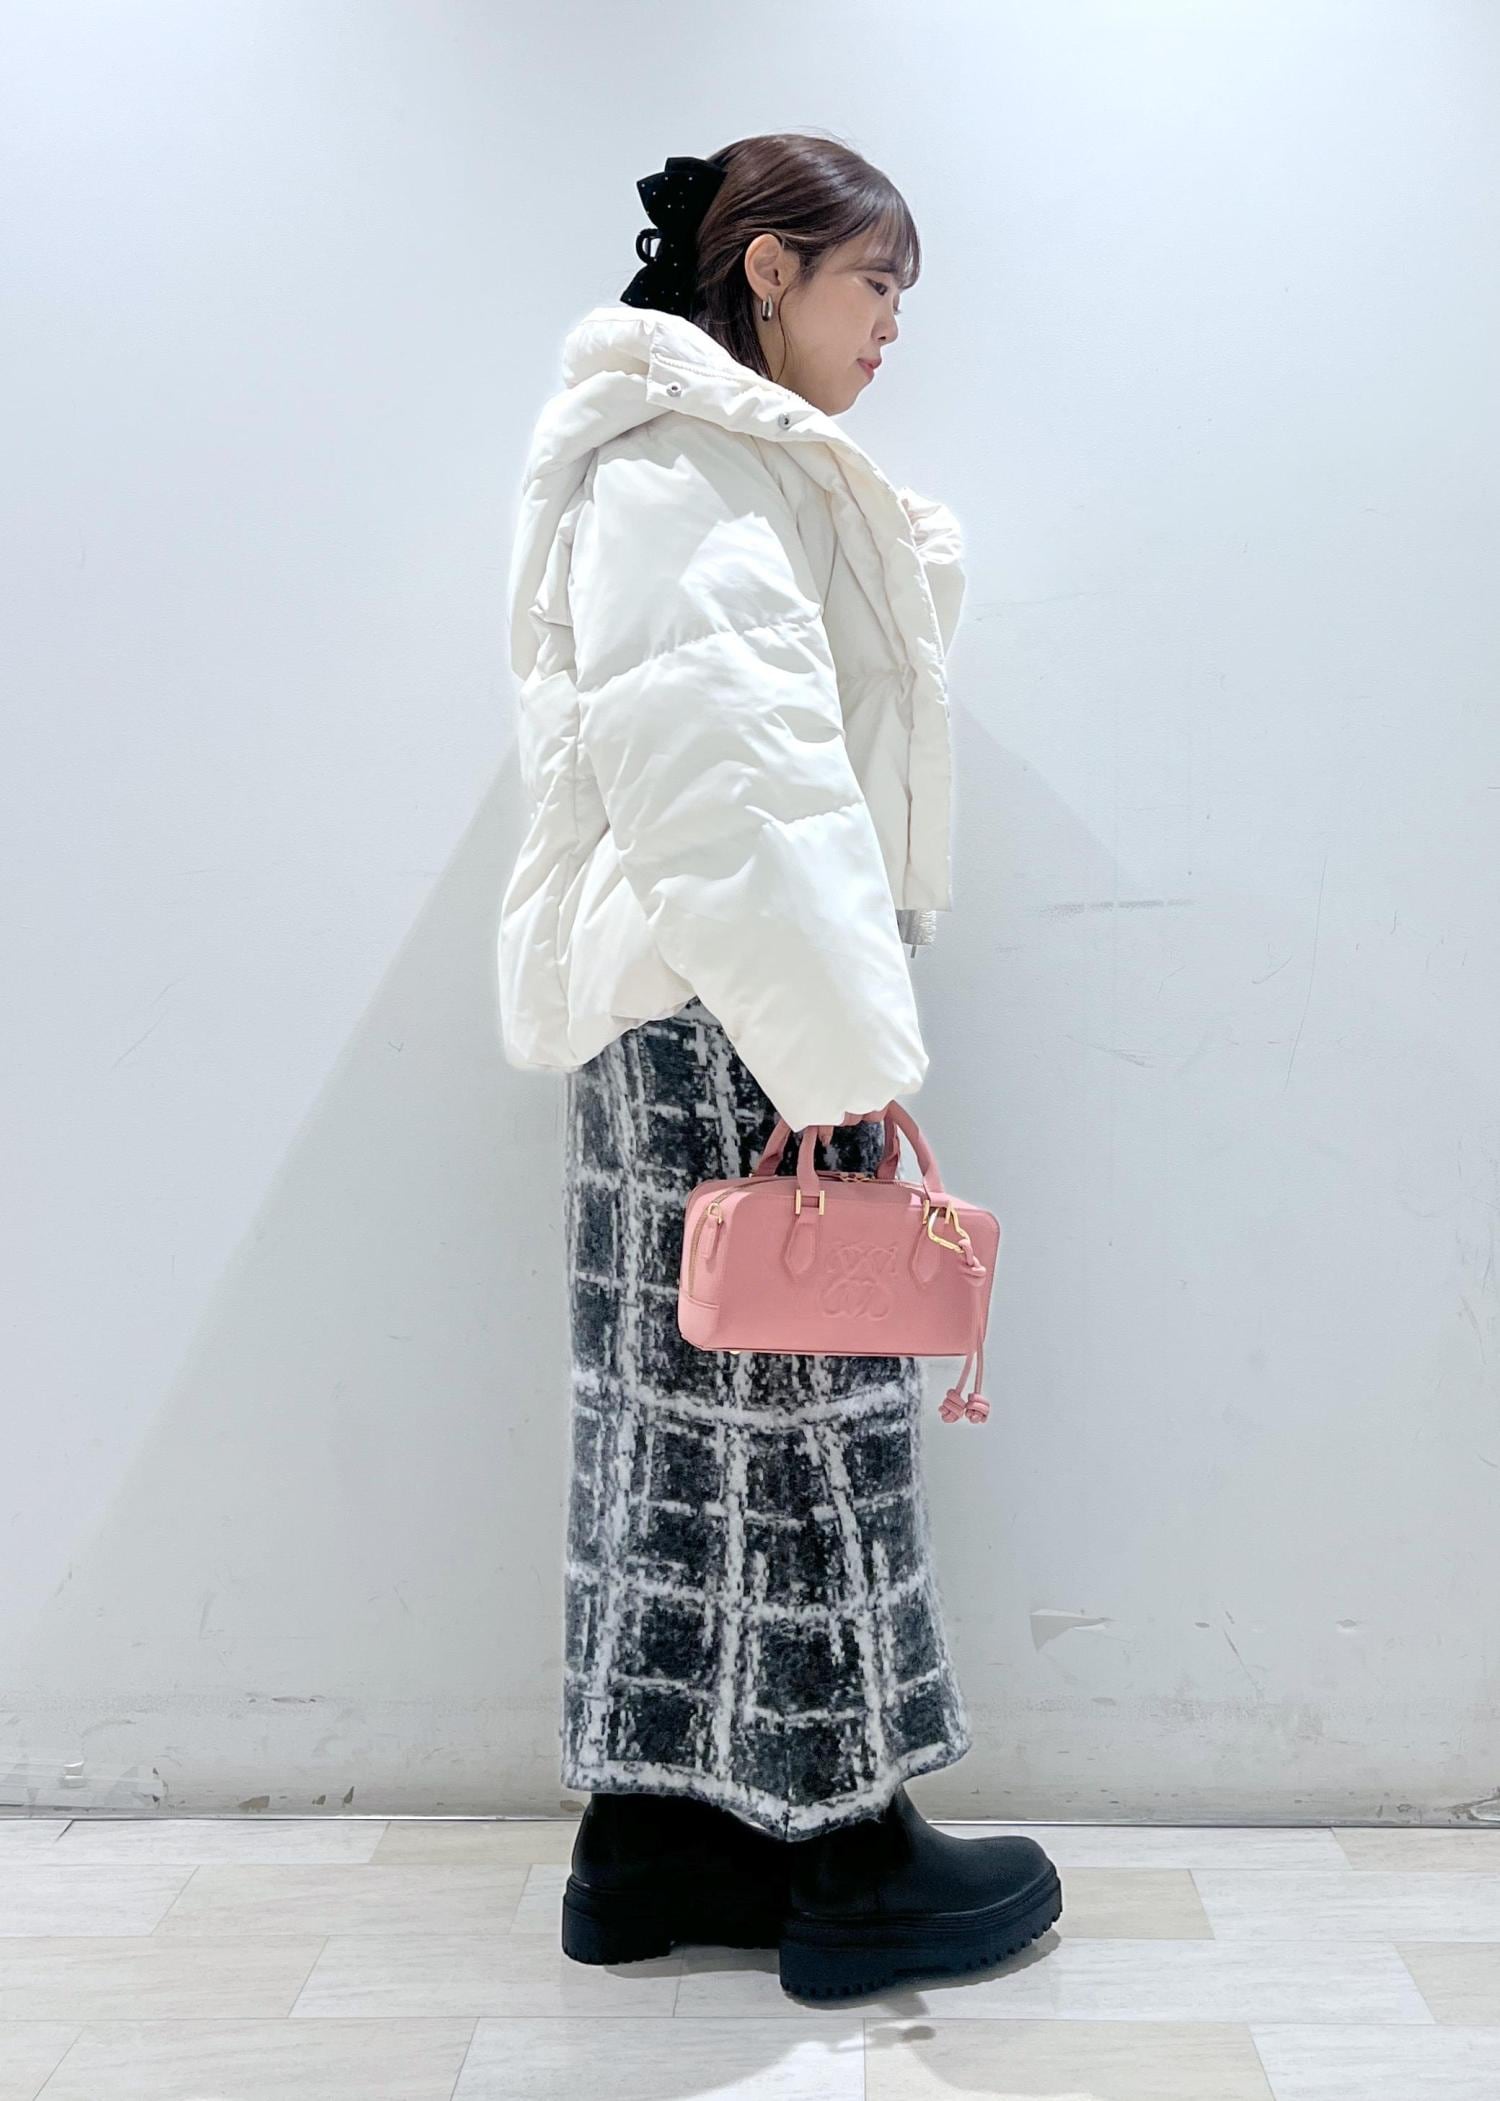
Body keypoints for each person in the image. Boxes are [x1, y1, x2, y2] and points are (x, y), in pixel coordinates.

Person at [496, 130, 1061, 1998]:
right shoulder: (688, 466)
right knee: (814, 1431)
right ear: (767, 272)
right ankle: (849, 1857)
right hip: (741, 1018)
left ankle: (655, 1840)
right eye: (872, 281)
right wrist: (834, 1059)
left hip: (675, 1013)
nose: (894, 321)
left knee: (677, 1432)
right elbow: (734, 785)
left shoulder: (704, 464)